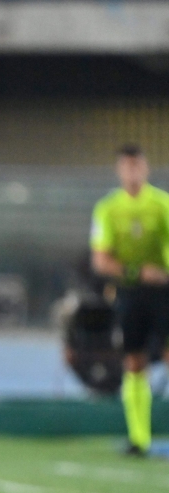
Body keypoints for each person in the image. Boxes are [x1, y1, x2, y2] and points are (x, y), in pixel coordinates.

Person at [91, 144, 169, 456]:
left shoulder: (162, 204)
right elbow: (101, 260)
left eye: (137, 165)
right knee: (134, 361)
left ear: (146, 168)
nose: (133, 172)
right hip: (129, 293)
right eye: (127, 166)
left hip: (164, 292)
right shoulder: (108, 208)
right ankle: (139, 439)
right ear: (119, 170)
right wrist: (138, 272)